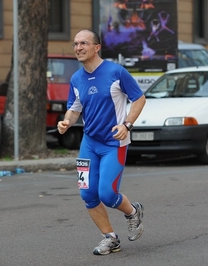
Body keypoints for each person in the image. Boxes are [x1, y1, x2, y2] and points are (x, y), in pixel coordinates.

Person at [57, 29, 146, 255]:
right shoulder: (76, 78)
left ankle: (133, 212)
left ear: (96, 47)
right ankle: (110, 238)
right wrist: (66, 122)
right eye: (75, 44)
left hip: (114, 143)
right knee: (87, 194)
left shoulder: (116, 72)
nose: (78, 48)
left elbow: (139, 98)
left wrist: (127, 124)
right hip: (89, 143)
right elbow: (74, 109)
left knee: (107, 194)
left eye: (83, 43)